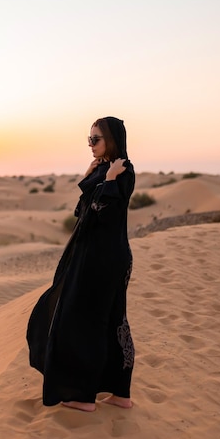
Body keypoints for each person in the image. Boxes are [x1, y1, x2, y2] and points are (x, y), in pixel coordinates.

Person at [26, 116, 135, 412]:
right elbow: (83, 212)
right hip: (96, 254)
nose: (90, 145)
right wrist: (92, 176)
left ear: (111, 139)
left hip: (103, 258)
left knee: (85, 321)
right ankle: (120, 394)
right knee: (108, 319)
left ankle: (83, 396)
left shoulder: (122, 170)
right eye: (88, 139)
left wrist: (109, 180)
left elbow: (104, 214)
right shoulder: (104, 168)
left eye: (95, 139)